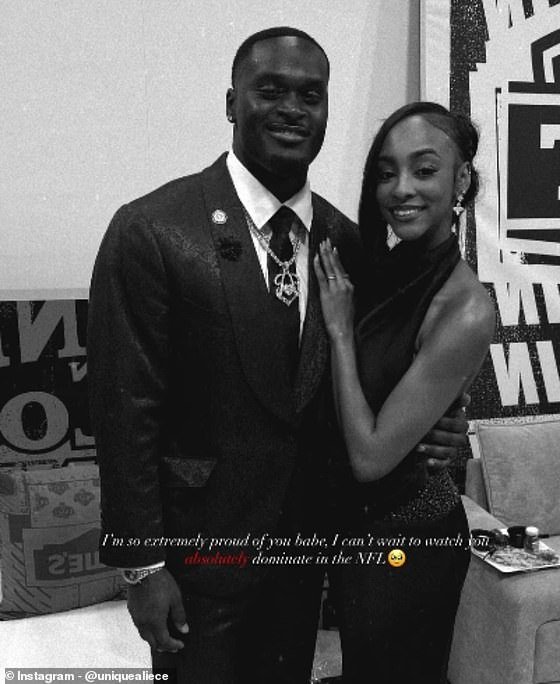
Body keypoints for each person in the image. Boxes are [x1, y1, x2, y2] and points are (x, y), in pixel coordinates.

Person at [88, 29, 468, 684]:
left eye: (310, 95)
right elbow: (125, 412)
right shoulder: (153, 229)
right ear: (231, 103)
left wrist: (441, 426)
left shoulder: (348, 243)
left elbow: (375, 379)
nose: (292, 108)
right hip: (199, 564)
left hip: (306, 558)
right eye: (270, 90)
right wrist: (142, 566)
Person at [314, 101, 495, 683]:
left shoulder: (465, 307)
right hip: (360, 536)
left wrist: (340, 332)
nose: (401, 188)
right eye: (386, 172)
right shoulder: (380, 267)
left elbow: (370, 457)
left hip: (410, 546)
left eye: (424, 169)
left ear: (461, 179)